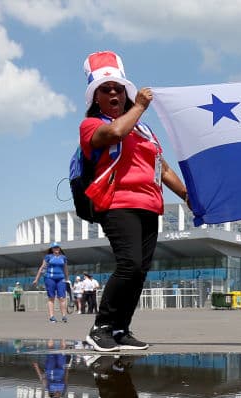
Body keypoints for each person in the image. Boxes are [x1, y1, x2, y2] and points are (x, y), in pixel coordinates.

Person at [79, 51, 188, 352]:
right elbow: (115, 132)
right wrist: (139, 106)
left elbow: (162, 167)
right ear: (96, 98)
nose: (113, 93)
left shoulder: (144, 130)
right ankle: (100, 327)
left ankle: (120, 329)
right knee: (129, 264)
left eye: (118, 88)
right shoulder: (91, 125)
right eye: (106, 89)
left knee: (139, 271)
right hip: (118, 202)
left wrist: (186, 195)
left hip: (149, 205)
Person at [32, 242, 70, 323]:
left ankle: (64, 316)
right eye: (54, 248)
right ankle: (52, 317)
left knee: (62, 298)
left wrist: (67, 279)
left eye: (57, 247)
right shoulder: (48, 257)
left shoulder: (63, 258)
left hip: (61, 279)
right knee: (51, 298)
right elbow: (42, 268)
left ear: (59, 249)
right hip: (50, 278)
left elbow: (66, 269)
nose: (56, 249)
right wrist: (36, 279)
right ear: (52, 249)